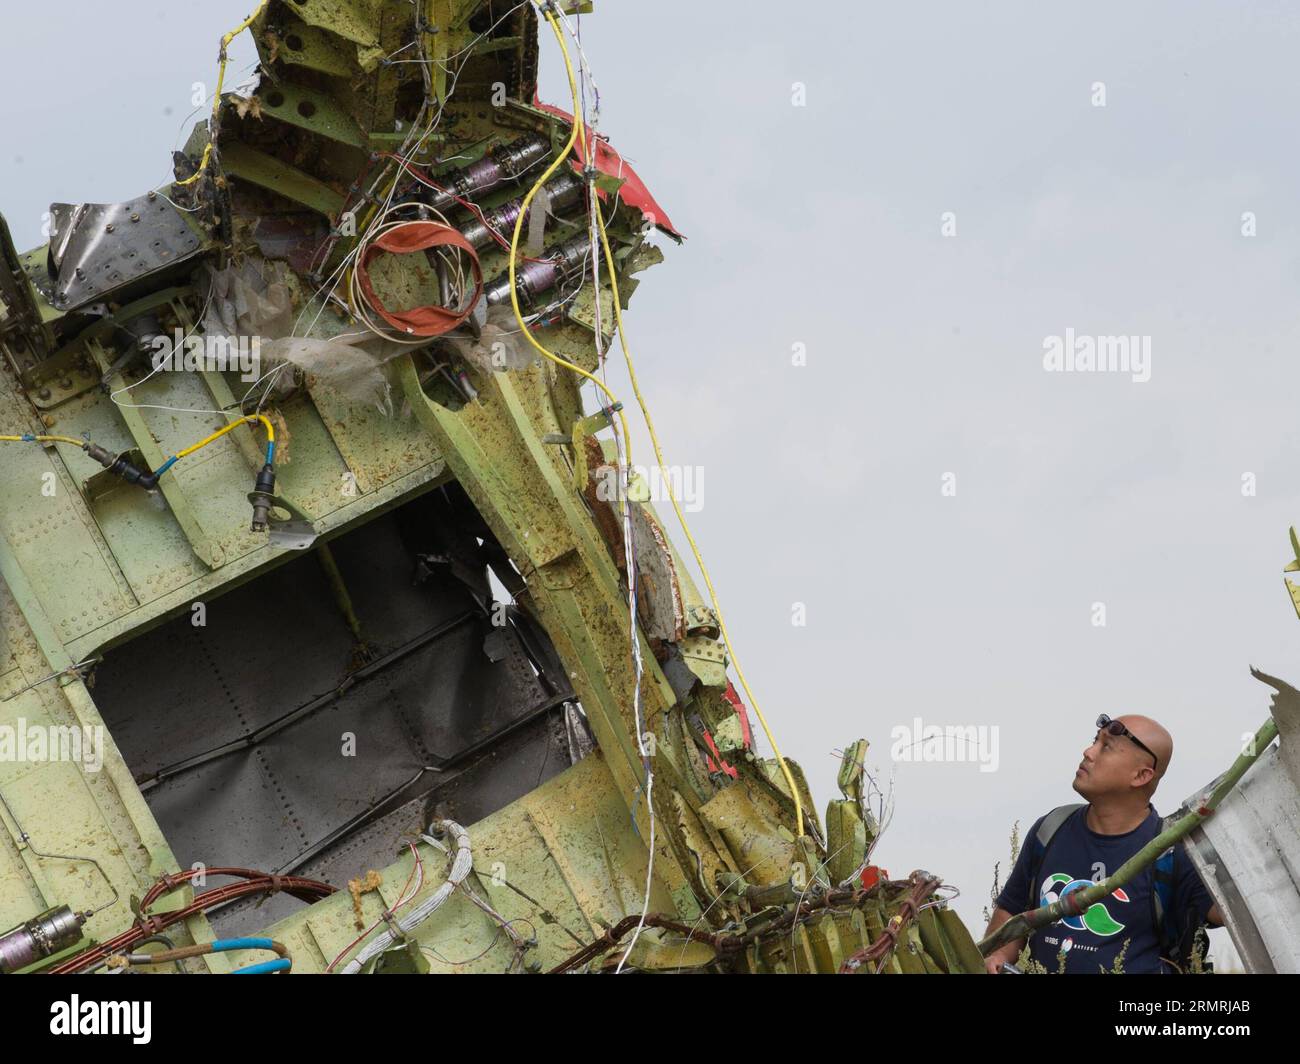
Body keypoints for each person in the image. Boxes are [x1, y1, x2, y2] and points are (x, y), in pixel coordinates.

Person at [983, 714, 1222, 974]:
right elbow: (1012, 911)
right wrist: (996, 957)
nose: (1088, 752)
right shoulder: (1050, 829)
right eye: (1094, 741)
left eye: (1105, 747)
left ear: (1141, 775)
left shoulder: (1174, 852)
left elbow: (1238, 913)